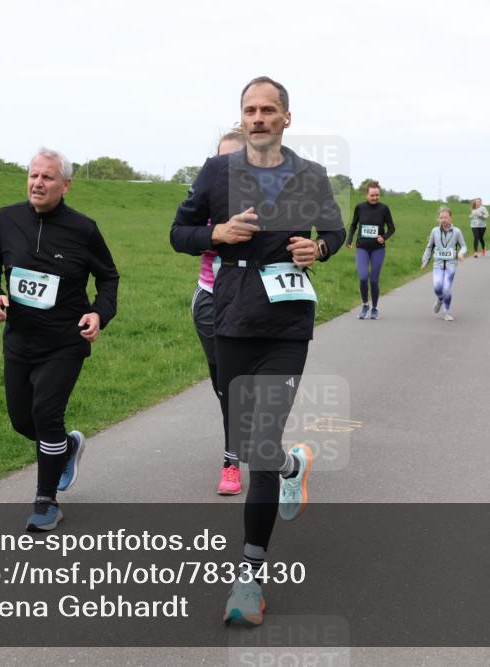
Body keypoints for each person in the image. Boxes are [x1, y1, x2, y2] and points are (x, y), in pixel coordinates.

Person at [170, 76, 345, 626]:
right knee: (250, 443)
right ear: (241, 118)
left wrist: (317, 248)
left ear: (286, 118)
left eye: (269, 109)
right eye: (251, 110)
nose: (259, 117)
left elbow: (335, 232)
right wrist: (215, 235)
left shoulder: (310, 175)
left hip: (286, 324)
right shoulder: (216, 172)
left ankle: (250, 574)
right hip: (233, 317)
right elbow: (178, 232)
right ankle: (294, 464)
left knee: (260, 441)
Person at [0, 148, 119, 531]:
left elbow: (108, 277)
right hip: (20, 341)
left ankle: (46, 503)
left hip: (65, 342)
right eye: (32, 175)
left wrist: (99, 313)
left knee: (47, 414)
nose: (37, 183)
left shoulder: (83, 229)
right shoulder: (6, 219)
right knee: (23, 421)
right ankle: (68, 447)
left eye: (47, 177)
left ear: (66, 185)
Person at [190, 130, 247, 495]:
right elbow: (183, 234)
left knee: (238, 385)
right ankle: (236, 446)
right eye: (221, 160)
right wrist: (217, 235)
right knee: (223, 385)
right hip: (211, 299)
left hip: (253, 302)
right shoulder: (207, 197)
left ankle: (231, 461)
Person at [347, 181, 395, 319]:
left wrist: (384, 237)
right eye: (372, 195)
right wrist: (349, 239)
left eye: (377, 195)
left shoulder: (384, 209)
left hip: (377, 249)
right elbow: (353, 225)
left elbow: (392, 228)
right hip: (362, 248)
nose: (375, 198)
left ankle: (374, 308)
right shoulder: (360, 208)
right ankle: (364, 305)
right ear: (366, 194)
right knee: (363, 277)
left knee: (373, 280)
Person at [421, 206, 467, 321]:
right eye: (441, 217)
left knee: (446, 289)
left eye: (446, 217)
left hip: (451, 265)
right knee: (437, 288)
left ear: (450, 218)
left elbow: (464, 246)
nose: (443, 220)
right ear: (438, 219)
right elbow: (429, 247)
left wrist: (461, 253)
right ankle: (440, 299)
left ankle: (446, 312)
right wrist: (425, 260)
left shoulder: (457, 232)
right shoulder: (434, 231)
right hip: (438, 265)